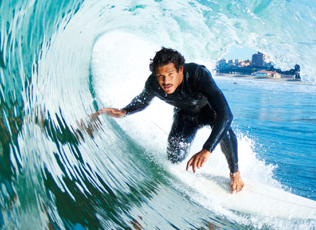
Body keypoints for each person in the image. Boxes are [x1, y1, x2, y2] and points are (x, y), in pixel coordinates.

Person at [93, 47, 244, 193]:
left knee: (225, 132)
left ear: (180, 69)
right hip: (185, 115)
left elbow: (226, 114)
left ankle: (235, 173)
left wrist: (207, 149)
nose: (166, 81)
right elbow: (142, 100)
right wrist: (124, 111)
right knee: (174, 155)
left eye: (170, 74)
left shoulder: (198, 74)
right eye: (160, 76)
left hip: (209, 111)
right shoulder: (153, 83)